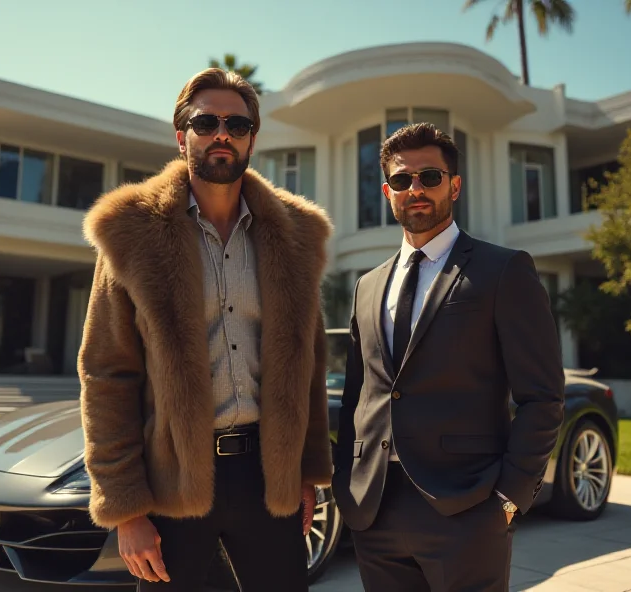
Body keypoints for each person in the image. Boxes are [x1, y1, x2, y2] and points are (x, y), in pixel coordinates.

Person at [77, 68, 333, 592]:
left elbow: (307, 363)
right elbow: (106, 374)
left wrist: (306, 472)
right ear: (181, 135)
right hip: (173, 481)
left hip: (269, 479)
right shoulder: (133, 233)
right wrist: (126, 509)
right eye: (207, 122)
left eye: (237, 124)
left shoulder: (297, 235)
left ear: (252, 139)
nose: (223, 134)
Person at [332, 122, 565, 592]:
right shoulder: (367, 286)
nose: (415, 188)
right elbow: (359, 394)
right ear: (387, 191)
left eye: (430, 177)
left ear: (454, 185)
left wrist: (509, 499)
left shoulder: (504, 270)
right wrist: (345, 484)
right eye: (402, 180)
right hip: (374, 508)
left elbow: (542, 397)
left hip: (467, 509)